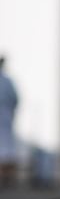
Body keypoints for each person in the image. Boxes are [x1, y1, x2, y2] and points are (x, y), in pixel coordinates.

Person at [0, 57, 19, 186]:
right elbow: (15, 100)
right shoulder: (7, 81)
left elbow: (14, 100)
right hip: (6, 117)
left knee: (6, 150)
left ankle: (6, 178)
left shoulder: (7, 81)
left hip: (5, 118)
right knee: (7, 149)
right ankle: (6, 178)